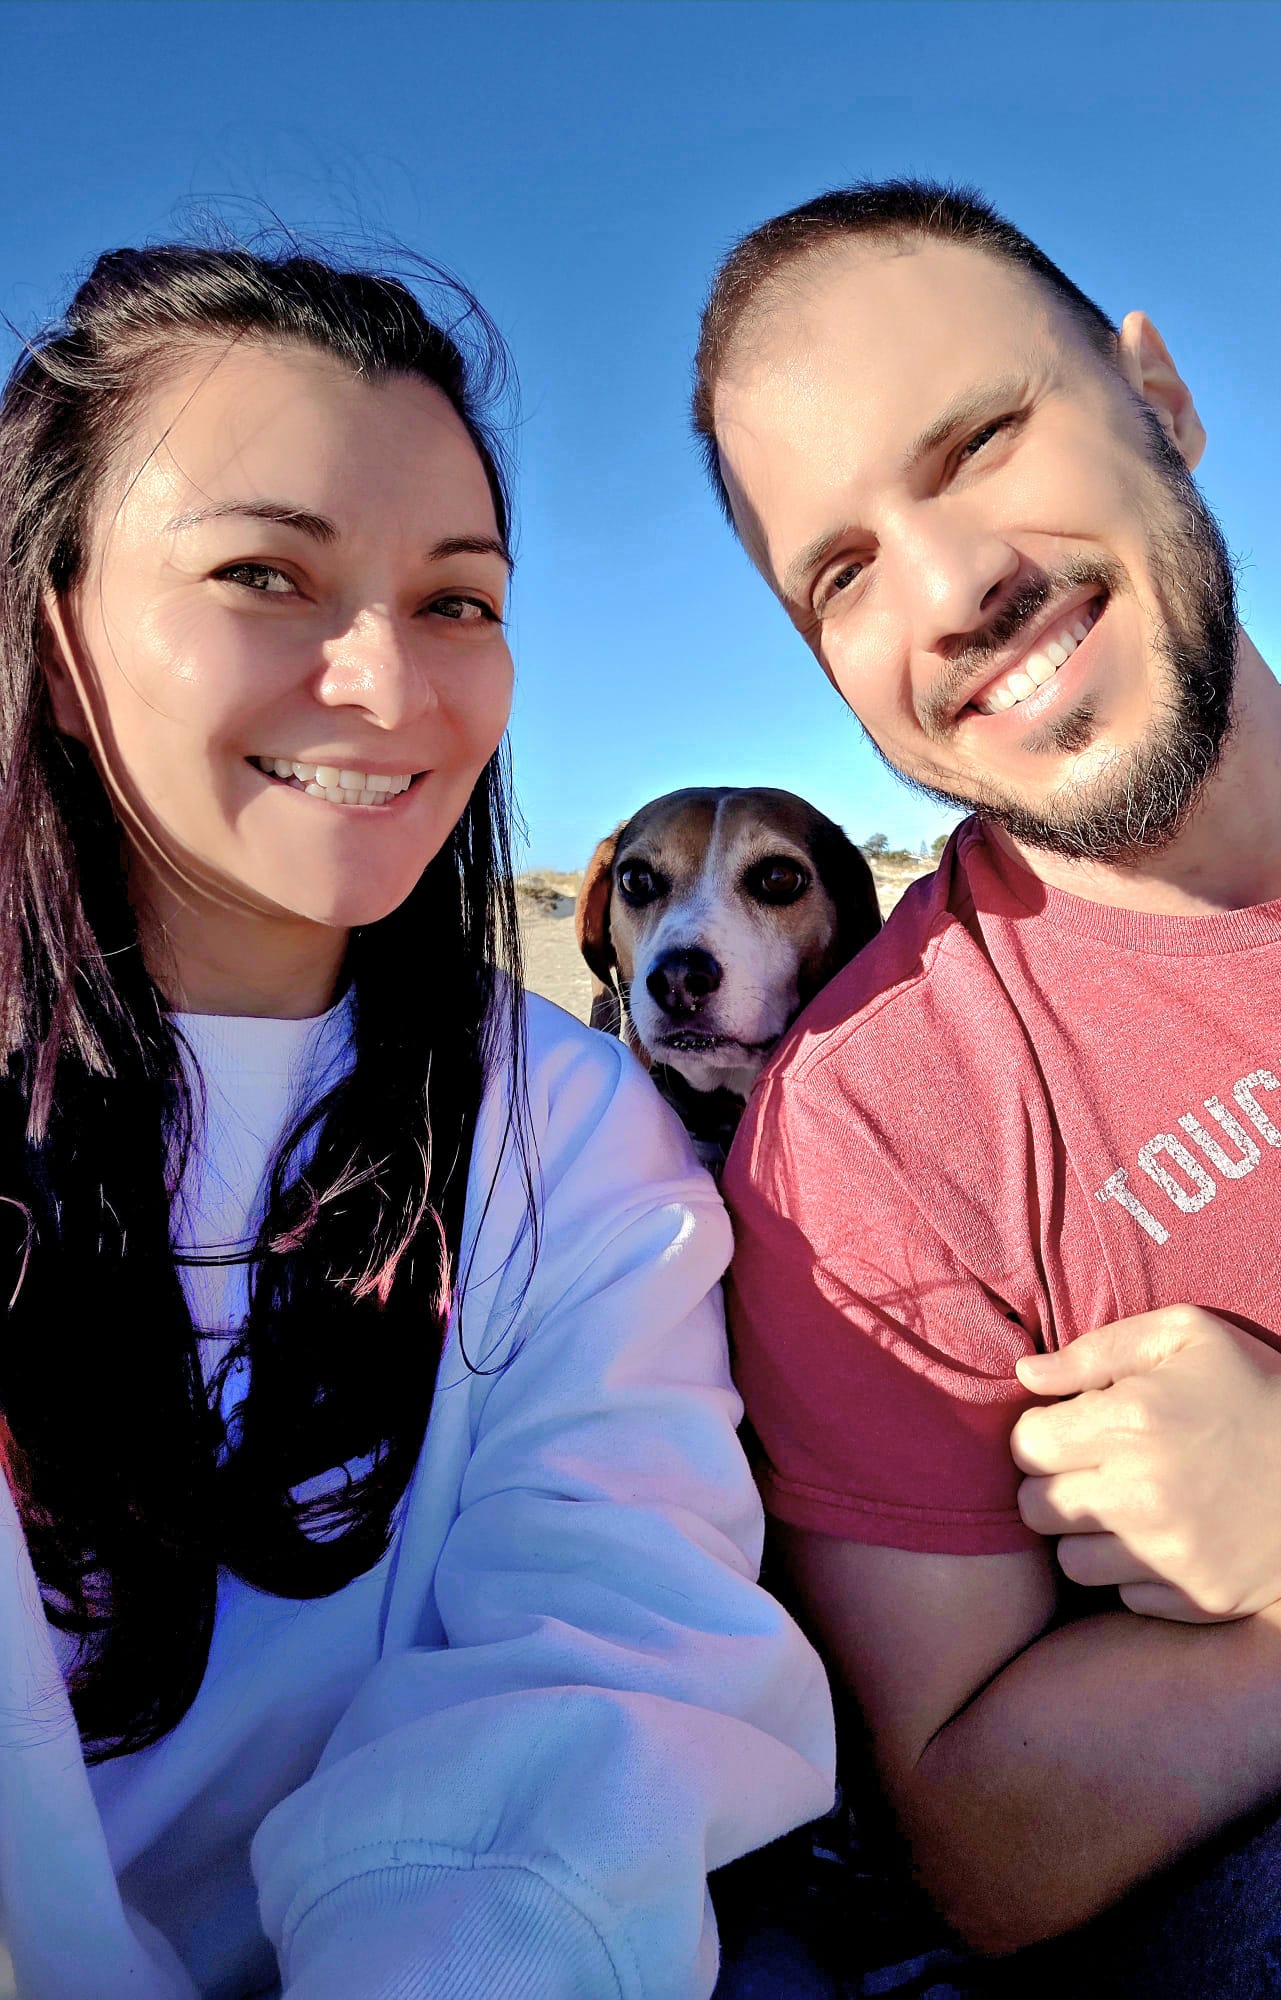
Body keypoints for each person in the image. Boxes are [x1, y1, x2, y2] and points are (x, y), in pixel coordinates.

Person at [0, 241, 834, 1999]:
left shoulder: (571, 1131)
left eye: (458, 600)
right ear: (52, 628)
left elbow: (601, 1670)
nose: (390, 683)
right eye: (265, 573)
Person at [694, 180, 1281, 1990]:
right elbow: (990, 1840)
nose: (953, 591)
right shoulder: (864, 1135)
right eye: (843, 573)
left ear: (1160, 399)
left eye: (982, 440)